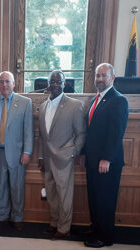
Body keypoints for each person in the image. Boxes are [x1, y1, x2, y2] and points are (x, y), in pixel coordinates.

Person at [0, 71, 33, 231]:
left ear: (13, 83)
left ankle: (17, 217)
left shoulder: (25, 102)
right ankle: (2, 216)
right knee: (0, 187)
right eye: (1, 82)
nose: (4, 85)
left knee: (17, 188)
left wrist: (27, 152)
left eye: (7, 82)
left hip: (17, 154)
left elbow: (28, 130)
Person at [83, 63, 129, 248]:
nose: (100, 79)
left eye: (104, 76)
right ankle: (96, 229)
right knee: (94, 198)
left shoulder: (118, 100)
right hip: (93, 160)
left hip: (107, 162)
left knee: (105, 199)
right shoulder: (97, 99)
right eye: (97, 76)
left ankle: (105, 236)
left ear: (113, 78)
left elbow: (116, 133)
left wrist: (107, 159)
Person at [38, 70, 86, 239]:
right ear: (48, 83)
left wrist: (72, 152)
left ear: (65, 84)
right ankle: (54, 222)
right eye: (53, 81)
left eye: (59, 82)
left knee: (64, 194)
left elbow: (81, 133)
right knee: (50, 193)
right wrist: (41, 157)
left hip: (64, 158)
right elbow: (42, 136)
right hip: (48, 158)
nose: (55, 85)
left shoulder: (74, 105)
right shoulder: (43, 106)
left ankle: (64, 228)